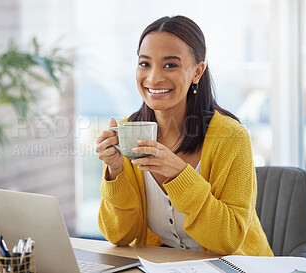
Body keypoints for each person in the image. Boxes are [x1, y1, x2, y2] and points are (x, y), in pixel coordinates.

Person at [95, 15, 273, 256]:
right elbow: (119, 236)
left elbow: (227, 240)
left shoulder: (230, 137)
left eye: (170, 65)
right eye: (145, 64)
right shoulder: (128, 133)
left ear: (197, 72)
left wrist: (180, 175)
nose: (154, 78)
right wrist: (115, 172)